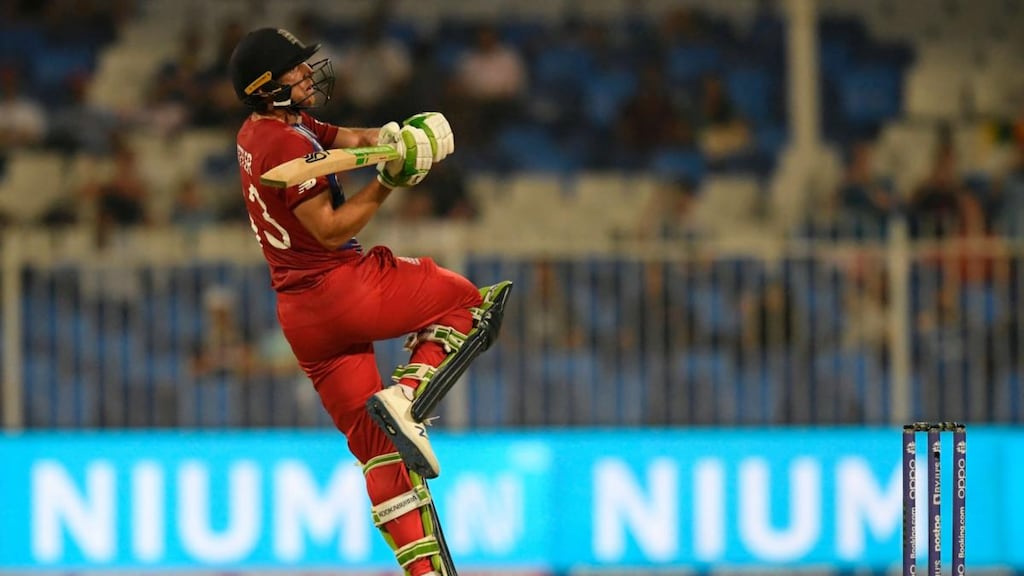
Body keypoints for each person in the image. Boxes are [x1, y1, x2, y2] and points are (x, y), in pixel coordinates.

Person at [227, 27, 512, 576]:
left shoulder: (265, 129)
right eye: (295, 70)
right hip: (340, 285)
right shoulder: (283, 143)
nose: (308, 74)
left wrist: (394, 138)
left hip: (301, 316)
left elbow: (341, 138)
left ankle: (424, 572)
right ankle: (408, 395)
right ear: (266, 86)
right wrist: (387, 182)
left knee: (378, 448)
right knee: (470, 303)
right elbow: (331, 231)